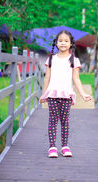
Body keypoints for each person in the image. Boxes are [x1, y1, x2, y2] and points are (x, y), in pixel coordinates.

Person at [39, 30, 92, 158]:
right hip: (52, 94)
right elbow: (47, 78)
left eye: (66, 41)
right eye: (60, 41)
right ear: (56, 43)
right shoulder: (51, 59)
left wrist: (83, 94)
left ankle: (65, 146)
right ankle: (52, 147)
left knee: (64, 121)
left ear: (70, 43)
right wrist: (43, 94)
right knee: (52, 120)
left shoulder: (74, 60)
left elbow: (76, 78)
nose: (63, 43)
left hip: (66, 95)